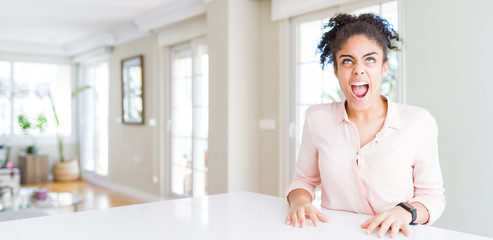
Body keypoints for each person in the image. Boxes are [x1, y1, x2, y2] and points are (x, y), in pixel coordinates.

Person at [285, 13, 445, 238]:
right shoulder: (317, 119)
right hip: (335, 234)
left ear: (384, 68)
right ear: (336, 71)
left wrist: (405, 212)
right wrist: (299, 202)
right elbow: (303, 180)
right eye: (347, 61)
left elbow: (433, 196)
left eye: (370, 59)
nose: (358, 69)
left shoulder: (419, 122)